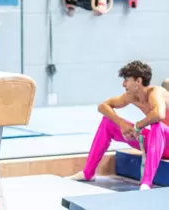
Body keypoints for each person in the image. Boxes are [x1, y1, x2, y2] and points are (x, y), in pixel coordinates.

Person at [66, 60, 169, 190]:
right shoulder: (131, 96)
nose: (123, 84)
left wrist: (137, 126)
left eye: (126, 80)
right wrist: (122, 123)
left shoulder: (156, 92)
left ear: (138, 81)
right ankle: (88, 173)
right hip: (158, 144)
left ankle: (146, 182)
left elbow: (159, 115)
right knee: (107, 122)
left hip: (166, 140)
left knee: (156, 125)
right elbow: (102, 106)